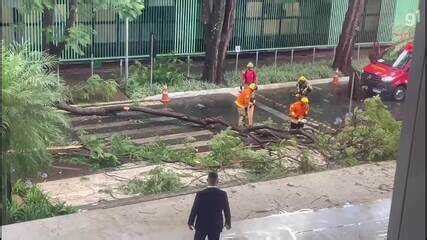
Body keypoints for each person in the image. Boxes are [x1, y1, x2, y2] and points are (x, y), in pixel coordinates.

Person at [188, 172, 231, 240]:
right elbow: (226, 209)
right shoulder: (222, 194)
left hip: (201, 224)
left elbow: (194, 209)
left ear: (207, 180)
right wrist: (228, 222)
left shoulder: (200, 194)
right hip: (216, 225)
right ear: (217, 181)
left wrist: (190, 222)